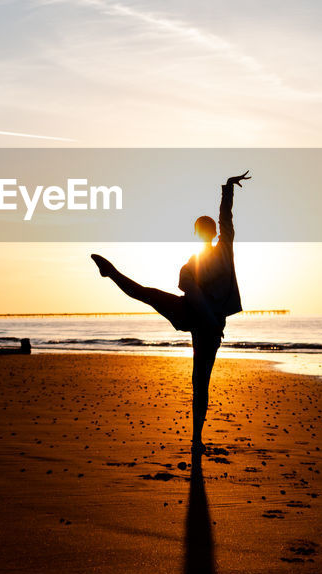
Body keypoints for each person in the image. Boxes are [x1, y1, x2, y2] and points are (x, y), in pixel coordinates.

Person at [91, 172, 250, 453]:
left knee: (147, 296)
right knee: (199, 379)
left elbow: (226, 220)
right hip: (203, 321)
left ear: (201, 233)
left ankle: (112, 274)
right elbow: (226, 221)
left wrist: (227, 189)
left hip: (203, 323)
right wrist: (226, 189)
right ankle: (196, 440)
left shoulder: (209, 255)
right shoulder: (203, 257)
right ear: (208, 234)